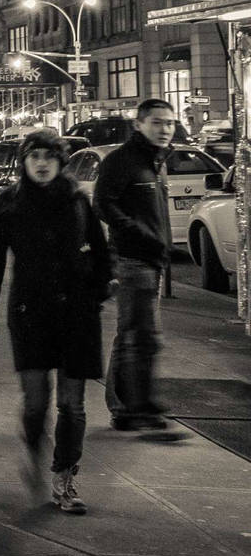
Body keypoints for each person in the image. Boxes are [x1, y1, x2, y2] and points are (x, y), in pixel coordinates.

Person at [0, 128, 113, 514]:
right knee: (36, 402)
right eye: (34, 156)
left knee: (73, 405)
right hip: (30, 312)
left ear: (60, 161)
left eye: (49, 157)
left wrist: (101, 289)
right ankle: (34, 450)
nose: (41, 164)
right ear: (23, 161)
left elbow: (101, 253)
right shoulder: (7, 203)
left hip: (77, 313)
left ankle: (65, 477)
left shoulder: (77, 202)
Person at [95, 97, 179, 432]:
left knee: (133, 335)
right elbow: (103, 203)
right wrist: (137, 234)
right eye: (157, 122)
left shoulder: (156, 161)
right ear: (139, 124)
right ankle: (134, 406)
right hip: (132, 260)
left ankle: (128, 406)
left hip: (152, 259)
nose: (165, 129)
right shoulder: (122, 160)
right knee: (141, 336)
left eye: (169, 123)